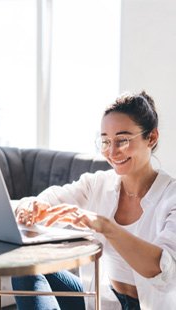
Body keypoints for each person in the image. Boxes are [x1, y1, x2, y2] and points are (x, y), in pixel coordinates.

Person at [12, 91, 176, 310]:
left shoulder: (170, 196)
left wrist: (106, 226)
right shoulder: (97, 183)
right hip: (102, 299)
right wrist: (31, 206)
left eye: (123, 140)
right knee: (24, 268)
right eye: (106, 141)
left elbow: (161, 268)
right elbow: (52, 199)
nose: (112, 151)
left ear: (152, 138)